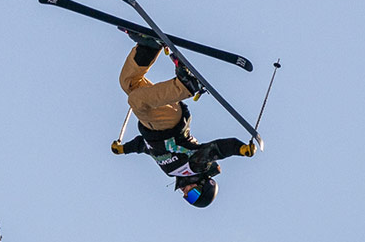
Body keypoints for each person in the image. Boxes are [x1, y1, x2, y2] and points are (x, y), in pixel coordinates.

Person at [109, 39, 255, 207]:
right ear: (203, 184)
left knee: (128, 83)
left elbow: (146, 146)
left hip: (154, 123)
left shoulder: (170, 171)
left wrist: (124, 149)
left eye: (188, 198)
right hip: (169, 122)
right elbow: (217, 149)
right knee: (136, 100)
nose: (186, 193)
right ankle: (186, 86)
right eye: (193, 194)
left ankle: (148, 47)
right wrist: (241, 149)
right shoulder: (196, 166)